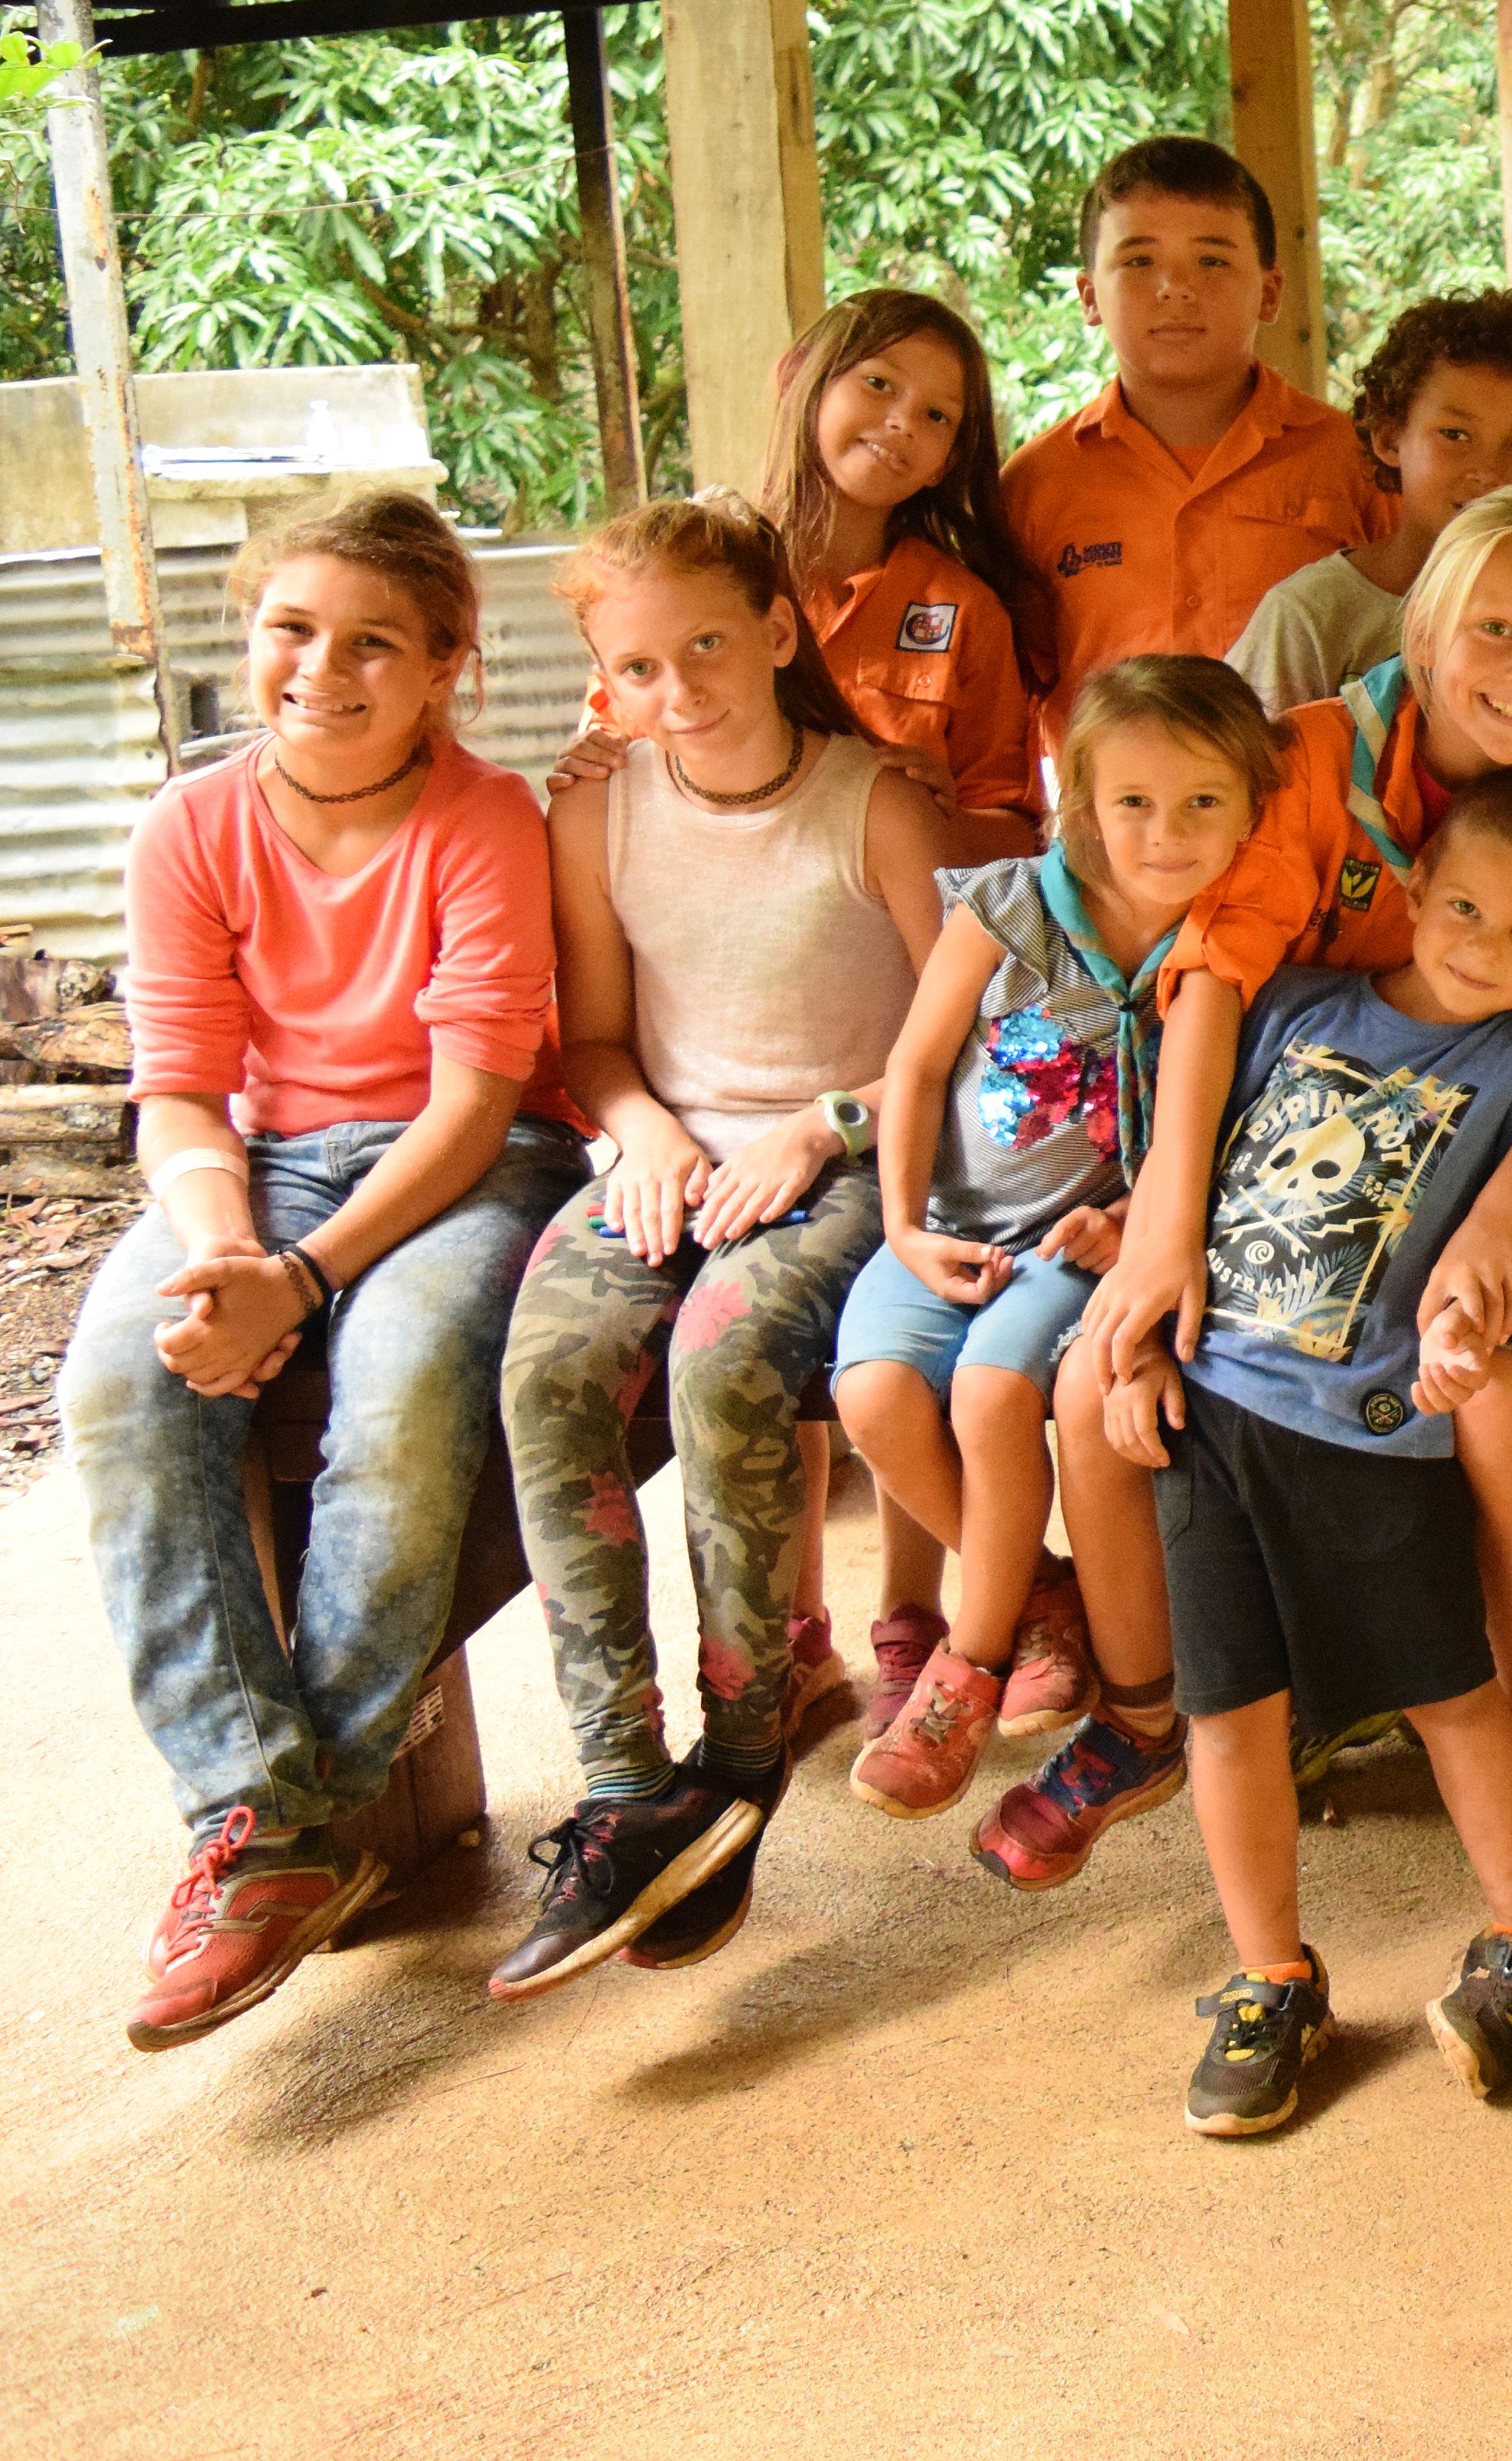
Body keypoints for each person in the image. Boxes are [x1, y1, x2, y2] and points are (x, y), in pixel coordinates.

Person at [1028, 487, 1512, 1928]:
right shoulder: (1314, 760)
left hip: (1475, 1176)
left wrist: (1510, 1216)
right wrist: (1168, 1219)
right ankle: (1142, 1709)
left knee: (1493, 1403)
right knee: (1091, 1385)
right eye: (1494, 628)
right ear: (1420, 623)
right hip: (1269, 1165)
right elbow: (1211, 980)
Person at [70, 491, 594, 2052]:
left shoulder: (486, 814)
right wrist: (225, 1242)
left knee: (410, 1381)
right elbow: (181, 1081)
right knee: (117, 1382)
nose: (322, 666)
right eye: (290, 627)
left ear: (446, 667)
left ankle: (306, 1803)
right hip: (257, 1163)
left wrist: (296, 1281)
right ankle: (258, 1819)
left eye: (375, 640)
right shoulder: (190, 823)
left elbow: (476, 1097)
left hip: (463, 1161)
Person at [1106, 768, 1512, 2133]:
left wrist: (1464, 1337)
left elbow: (1506, 1249)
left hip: (1379, 1437)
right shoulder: (1292, 1009)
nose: (1482, 948)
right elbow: (1190, 1190)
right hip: (1210, 1416)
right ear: (1410, 891)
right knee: (1230, 1715)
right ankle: (1270, 1975)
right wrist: (1144, 1348)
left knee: (1453, 1695)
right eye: (1462, 909)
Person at [488, 499, 947, 2001]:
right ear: (602, 682)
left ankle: (744, 1755)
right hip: (668, 1154)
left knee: (726, 1352)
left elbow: (974, 1040)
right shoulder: (596, 807)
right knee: (551, 1370)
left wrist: (820, 1123)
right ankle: (628, 1788)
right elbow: (601, 1037)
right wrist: (639, 1134)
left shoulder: (870, 799)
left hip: (845, 1156)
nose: (678, 686)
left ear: (777, 626)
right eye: (638, 664)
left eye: (705, 643)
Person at [836, 654, 1273, 1818]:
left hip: (1079, 1251)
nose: (1164, 833)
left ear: (1253, 807)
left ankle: (966, 1669)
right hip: (946, 1227)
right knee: (873, 1398)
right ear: (1077, 798)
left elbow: (1237, 1127)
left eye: (1202, 805)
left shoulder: (1236, 941)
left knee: (988, 1395)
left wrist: (1131, 1220)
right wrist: (903, 1226)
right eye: (1132, 801)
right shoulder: (1007, 905)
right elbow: (918, 1066)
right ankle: (1043, 1602)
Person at [1002, 135, 1381, 732]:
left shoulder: (1357, 463)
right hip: (1107, 821)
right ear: (1088, 296)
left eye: (1212, 260)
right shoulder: (1034, 485)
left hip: (1310, 816)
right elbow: (1007, 697)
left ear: (1271, 292)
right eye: (1137, 261)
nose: (1175, 287)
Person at [758, 286, 1053, 865]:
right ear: (798, 375)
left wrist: (941, 817)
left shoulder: (965, 610)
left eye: (936, 415)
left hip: (905, 942)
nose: (901, 423)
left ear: (947, 461)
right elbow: (619, 758)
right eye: (878, 383)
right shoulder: (704, 572)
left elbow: (1020, 838)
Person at [1226, 290, 1512, 713]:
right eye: (1455, 435)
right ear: (1388, 437)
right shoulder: (1312, 618)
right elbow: (1240, 765)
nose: (1488, 472)